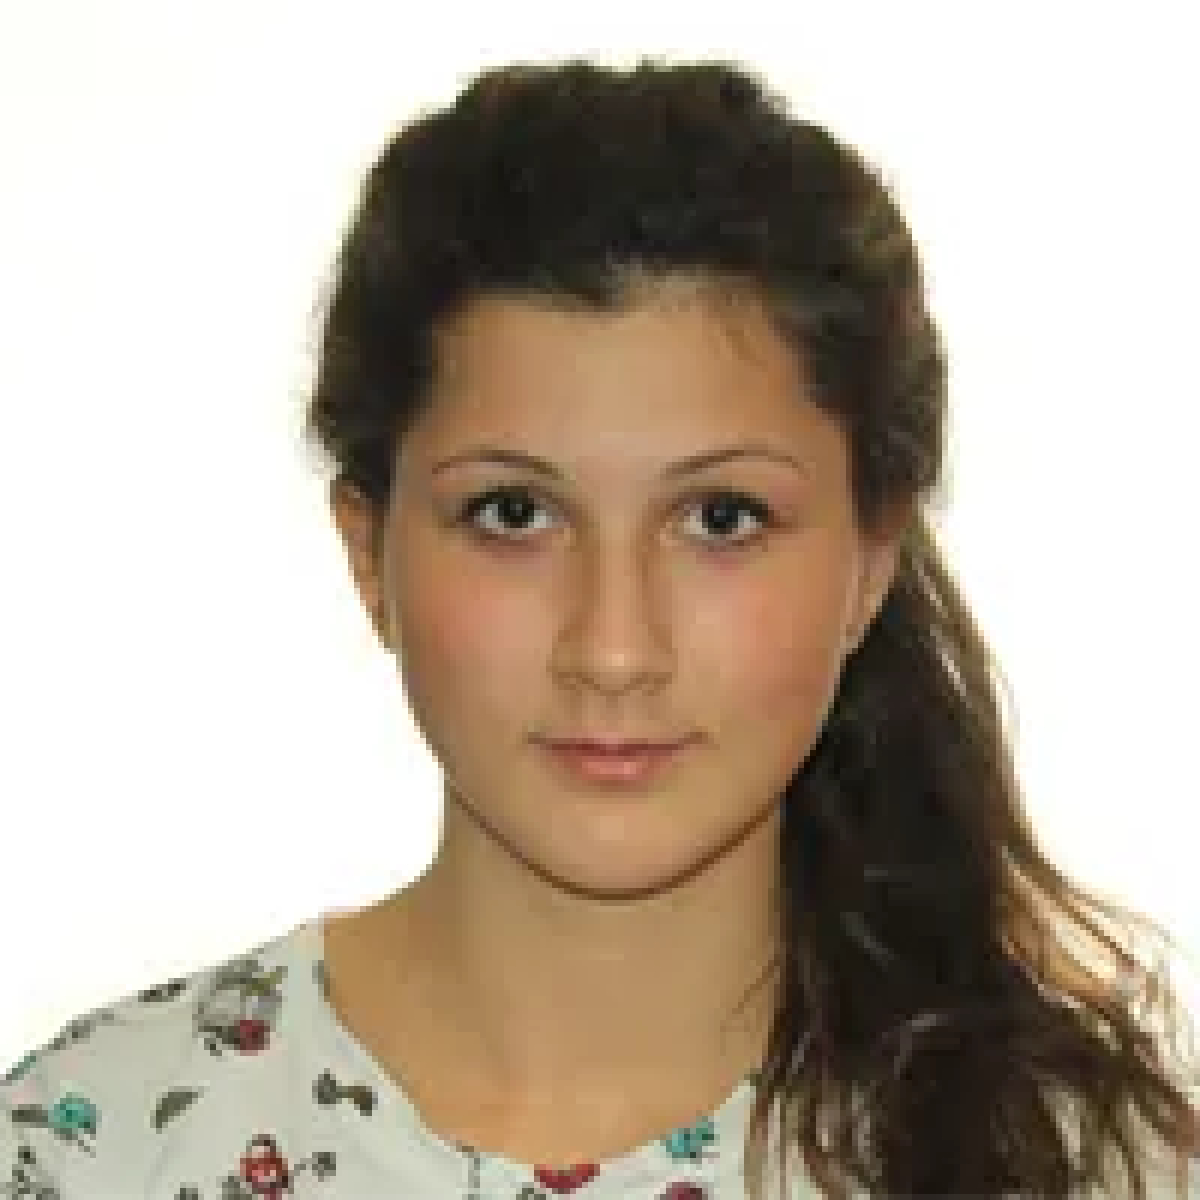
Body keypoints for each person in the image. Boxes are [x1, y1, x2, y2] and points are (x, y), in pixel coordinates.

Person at [2, 57, 1197, 1200]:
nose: (614, 650)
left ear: (870, 561)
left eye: (722, 518)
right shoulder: (89, 1155)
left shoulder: (1101, 1173)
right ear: (368, 552)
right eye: (513, 514)